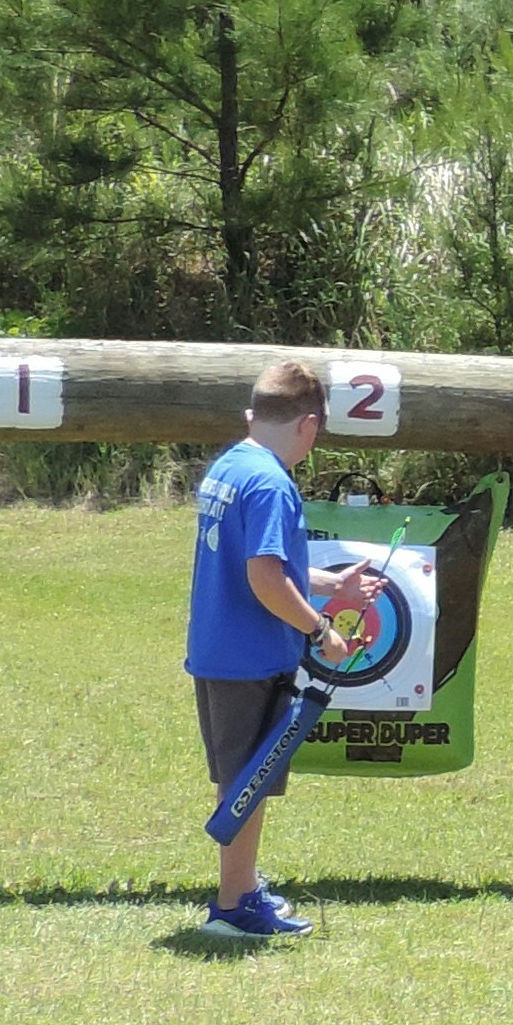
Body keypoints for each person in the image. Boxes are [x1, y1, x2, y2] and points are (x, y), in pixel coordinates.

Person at [185, 357, 383, 939]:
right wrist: (322, 630)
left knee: (244, 778)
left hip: (222, 649)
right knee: (247, 781)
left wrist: (331, 584)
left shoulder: (232, 466)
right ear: (310, 425)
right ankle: (233, 906)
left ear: (254, 415)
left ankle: (241, 887)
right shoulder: (272, 483)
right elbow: (265, 579)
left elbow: (262, 563)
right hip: (249, 657)